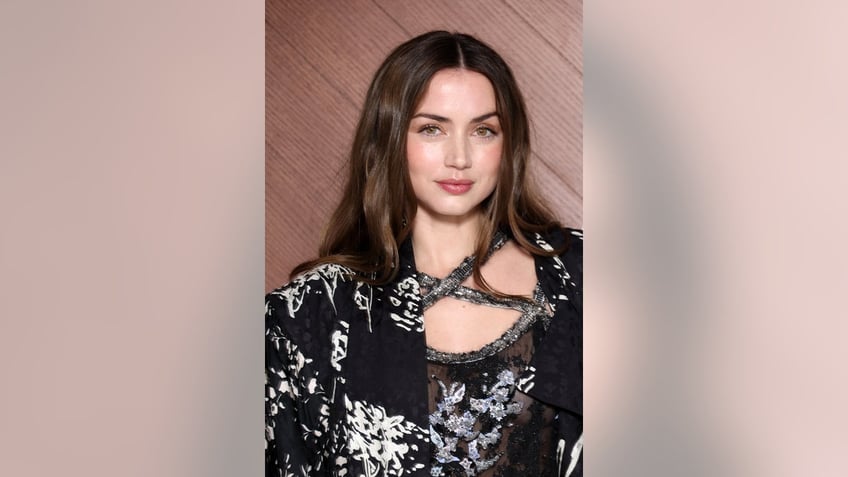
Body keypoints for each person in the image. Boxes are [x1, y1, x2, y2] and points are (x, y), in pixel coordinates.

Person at [266, 30, 582, 477]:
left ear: (508, 145)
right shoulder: (311, 312)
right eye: (432, 128)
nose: (459, 157)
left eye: (483, 130)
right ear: (390, 138)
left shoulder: (579, 274)